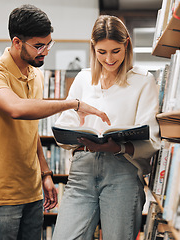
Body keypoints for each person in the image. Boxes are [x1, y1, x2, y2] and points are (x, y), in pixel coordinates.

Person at [0, 5, 110, 240]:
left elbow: (29, 129)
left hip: (32, 190)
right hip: (1, 193)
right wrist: (72, 103)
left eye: (49, 44)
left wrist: (45, 173)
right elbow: (17, 109)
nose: (45, 51)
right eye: (38, 45)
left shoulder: (35, 74)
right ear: (17, 42)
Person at [52, 15, 160, 240]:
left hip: (123, 170)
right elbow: (62, 130)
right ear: (93, 48)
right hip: (82, 169)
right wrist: (76, 130)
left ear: (126, 45)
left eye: (115, 51)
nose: (109, 59)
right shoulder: (83, 79)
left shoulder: (144, 81)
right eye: (102, 52)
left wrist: (117, 148)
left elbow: (152, 142)